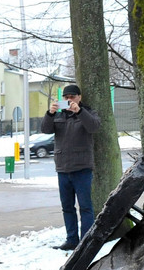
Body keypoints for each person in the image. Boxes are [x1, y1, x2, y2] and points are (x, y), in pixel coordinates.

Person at [41, 84, 100, 251]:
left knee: (85, 206)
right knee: (67, 207)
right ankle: (71, 239)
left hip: (82, 168)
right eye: (66, 97)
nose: (69, 100)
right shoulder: (58, 115)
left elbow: (94, 127)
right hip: (63, 168)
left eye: (72, 97)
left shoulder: (87, 113)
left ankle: (85, 242)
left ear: (79, 98)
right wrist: (50, 113)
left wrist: (79, 112)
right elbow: (45, 129)